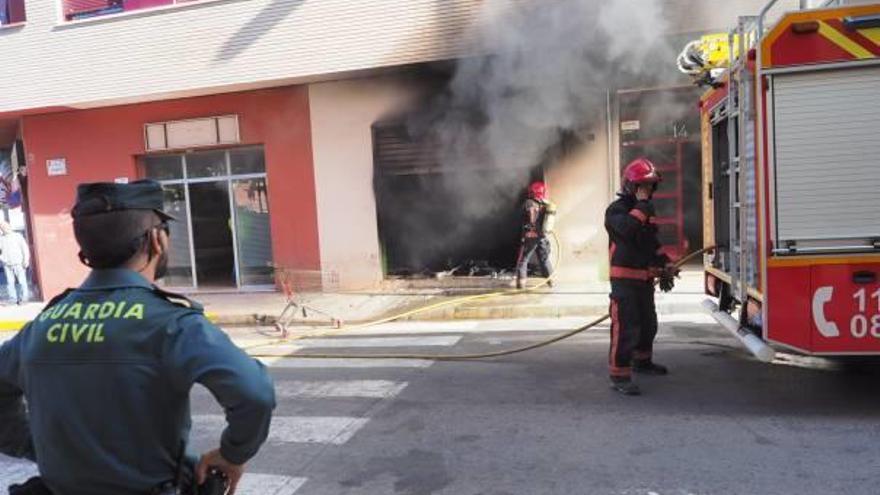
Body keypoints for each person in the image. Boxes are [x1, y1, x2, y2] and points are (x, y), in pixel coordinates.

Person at [0, 180, 276, 494]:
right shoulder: (172, 324)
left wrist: (37, 447)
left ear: (86, 250)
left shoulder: (40, 327)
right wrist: (233, 454)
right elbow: (254, 393)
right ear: (157, 239)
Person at [604, 158, 677, 396]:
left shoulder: (644, 211)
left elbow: (649, 243)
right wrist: (643, 207)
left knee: (648, 325)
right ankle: (620, 375)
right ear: (631, 187)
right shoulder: (616, 211)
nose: (648, 191)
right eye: (643, 186)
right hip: (624, 282)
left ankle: (642, 362)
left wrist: (664, 264)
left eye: (651, 186)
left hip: (644, 280)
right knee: (626, 328)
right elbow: (627, 230)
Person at [516, 181, 556, 290]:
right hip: (542, 236)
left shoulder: (529, 203)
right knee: (544, 259)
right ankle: (551, 282)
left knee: (523, 259)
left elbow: (531, 215)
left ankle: (521, 284)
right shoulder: (544, 203)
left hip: (531, 235)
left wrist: (531, 227)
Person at [0, 221, 31, 305]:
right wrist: (2, 258)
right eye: (2, 227)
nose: (4, 228)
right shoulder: (1, 239)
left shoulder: (17, 236)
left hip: (19, 263)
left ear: (9, 227)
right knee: (10, 283)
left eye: (5, 226)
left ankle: (24, 299)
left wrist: (26, 260)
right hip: (7, 264)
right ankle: (13, 299)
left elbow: (24, 248)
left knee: (22, 281)